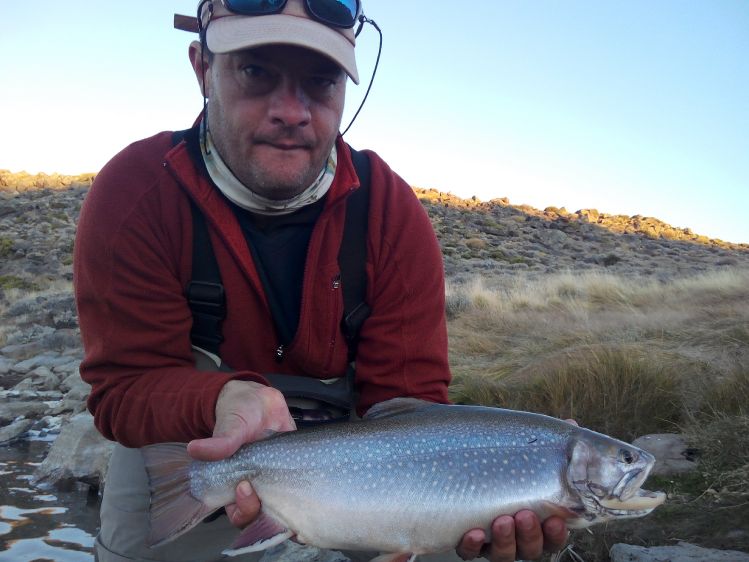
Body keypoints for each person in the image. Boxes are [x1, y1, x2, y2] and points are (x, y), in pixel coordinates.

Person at [73, 1, 569, 561]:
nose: (292, 110)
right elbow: (123, 388)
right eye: (256, 71)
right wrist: (222, 398)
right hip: (187, 450)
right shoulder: (136, 192)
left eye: (322, 80)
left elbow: (409, 406)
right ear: (202, 68)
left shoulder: (390, 211)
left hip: (358, 475)